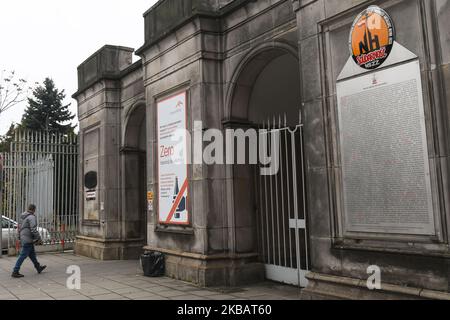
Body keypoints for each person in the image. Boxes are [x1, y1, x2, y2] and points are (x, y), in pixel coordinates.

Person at [11, 204, 47, 278]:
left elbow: (19, 228)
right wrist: (39, 239)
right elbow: (33, 229)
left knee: (32, 255)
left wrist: (19, 237)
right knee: (23, 255)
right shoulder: (31, 217)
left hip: (24, 237)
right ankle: (15, 271)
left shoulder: (22, 216)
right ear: (34, 210)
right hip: (28, 238)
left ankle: (38, 267)